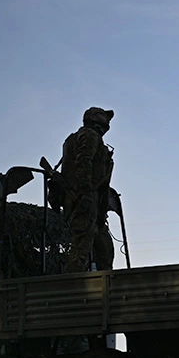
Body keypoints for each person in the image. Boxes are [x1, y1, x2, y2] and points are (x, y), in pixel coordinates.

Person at [61, 107, 116, 273]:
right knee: (81, 248)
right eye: (104, 117)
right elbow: (83, 162)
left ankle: (104, 286)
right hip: (85, 198)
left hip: (93, 200)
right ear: (92, 117)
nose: (107, 122)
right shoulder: (89, 135)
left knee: (104, 247)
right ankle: (73, 288)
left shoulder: (78, 138)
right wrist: (85, 192)